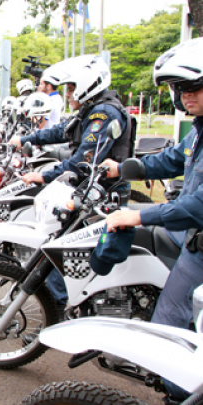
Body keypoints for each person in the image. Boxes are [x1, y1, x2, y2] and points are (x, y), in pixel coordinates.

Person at [100, 36, 203, 404]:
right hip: (187, 232)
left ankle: (178, 395)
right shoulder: (200, 128)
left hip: (199, 244)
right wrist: (128, 168)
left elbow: (197, 206)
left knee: (168, 325)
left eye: (194, 87)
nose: (185, 97)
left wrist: (139, 214)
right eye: (180, 89)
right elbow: (175, 158)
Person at [11, 54, 134, 308]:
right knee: (59, 244)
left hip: (103, 195)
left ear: (87, 85)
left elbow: (84, 160)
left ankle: (63, 306)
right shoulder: (91, 109)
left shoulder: (104, 114)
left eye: (70, 88)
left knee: (60, 248)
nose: (67, 94)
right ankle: (66, 303)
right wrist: (27, 139)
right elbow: (61, 131)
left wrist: (44, 175)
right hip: (90, 191)